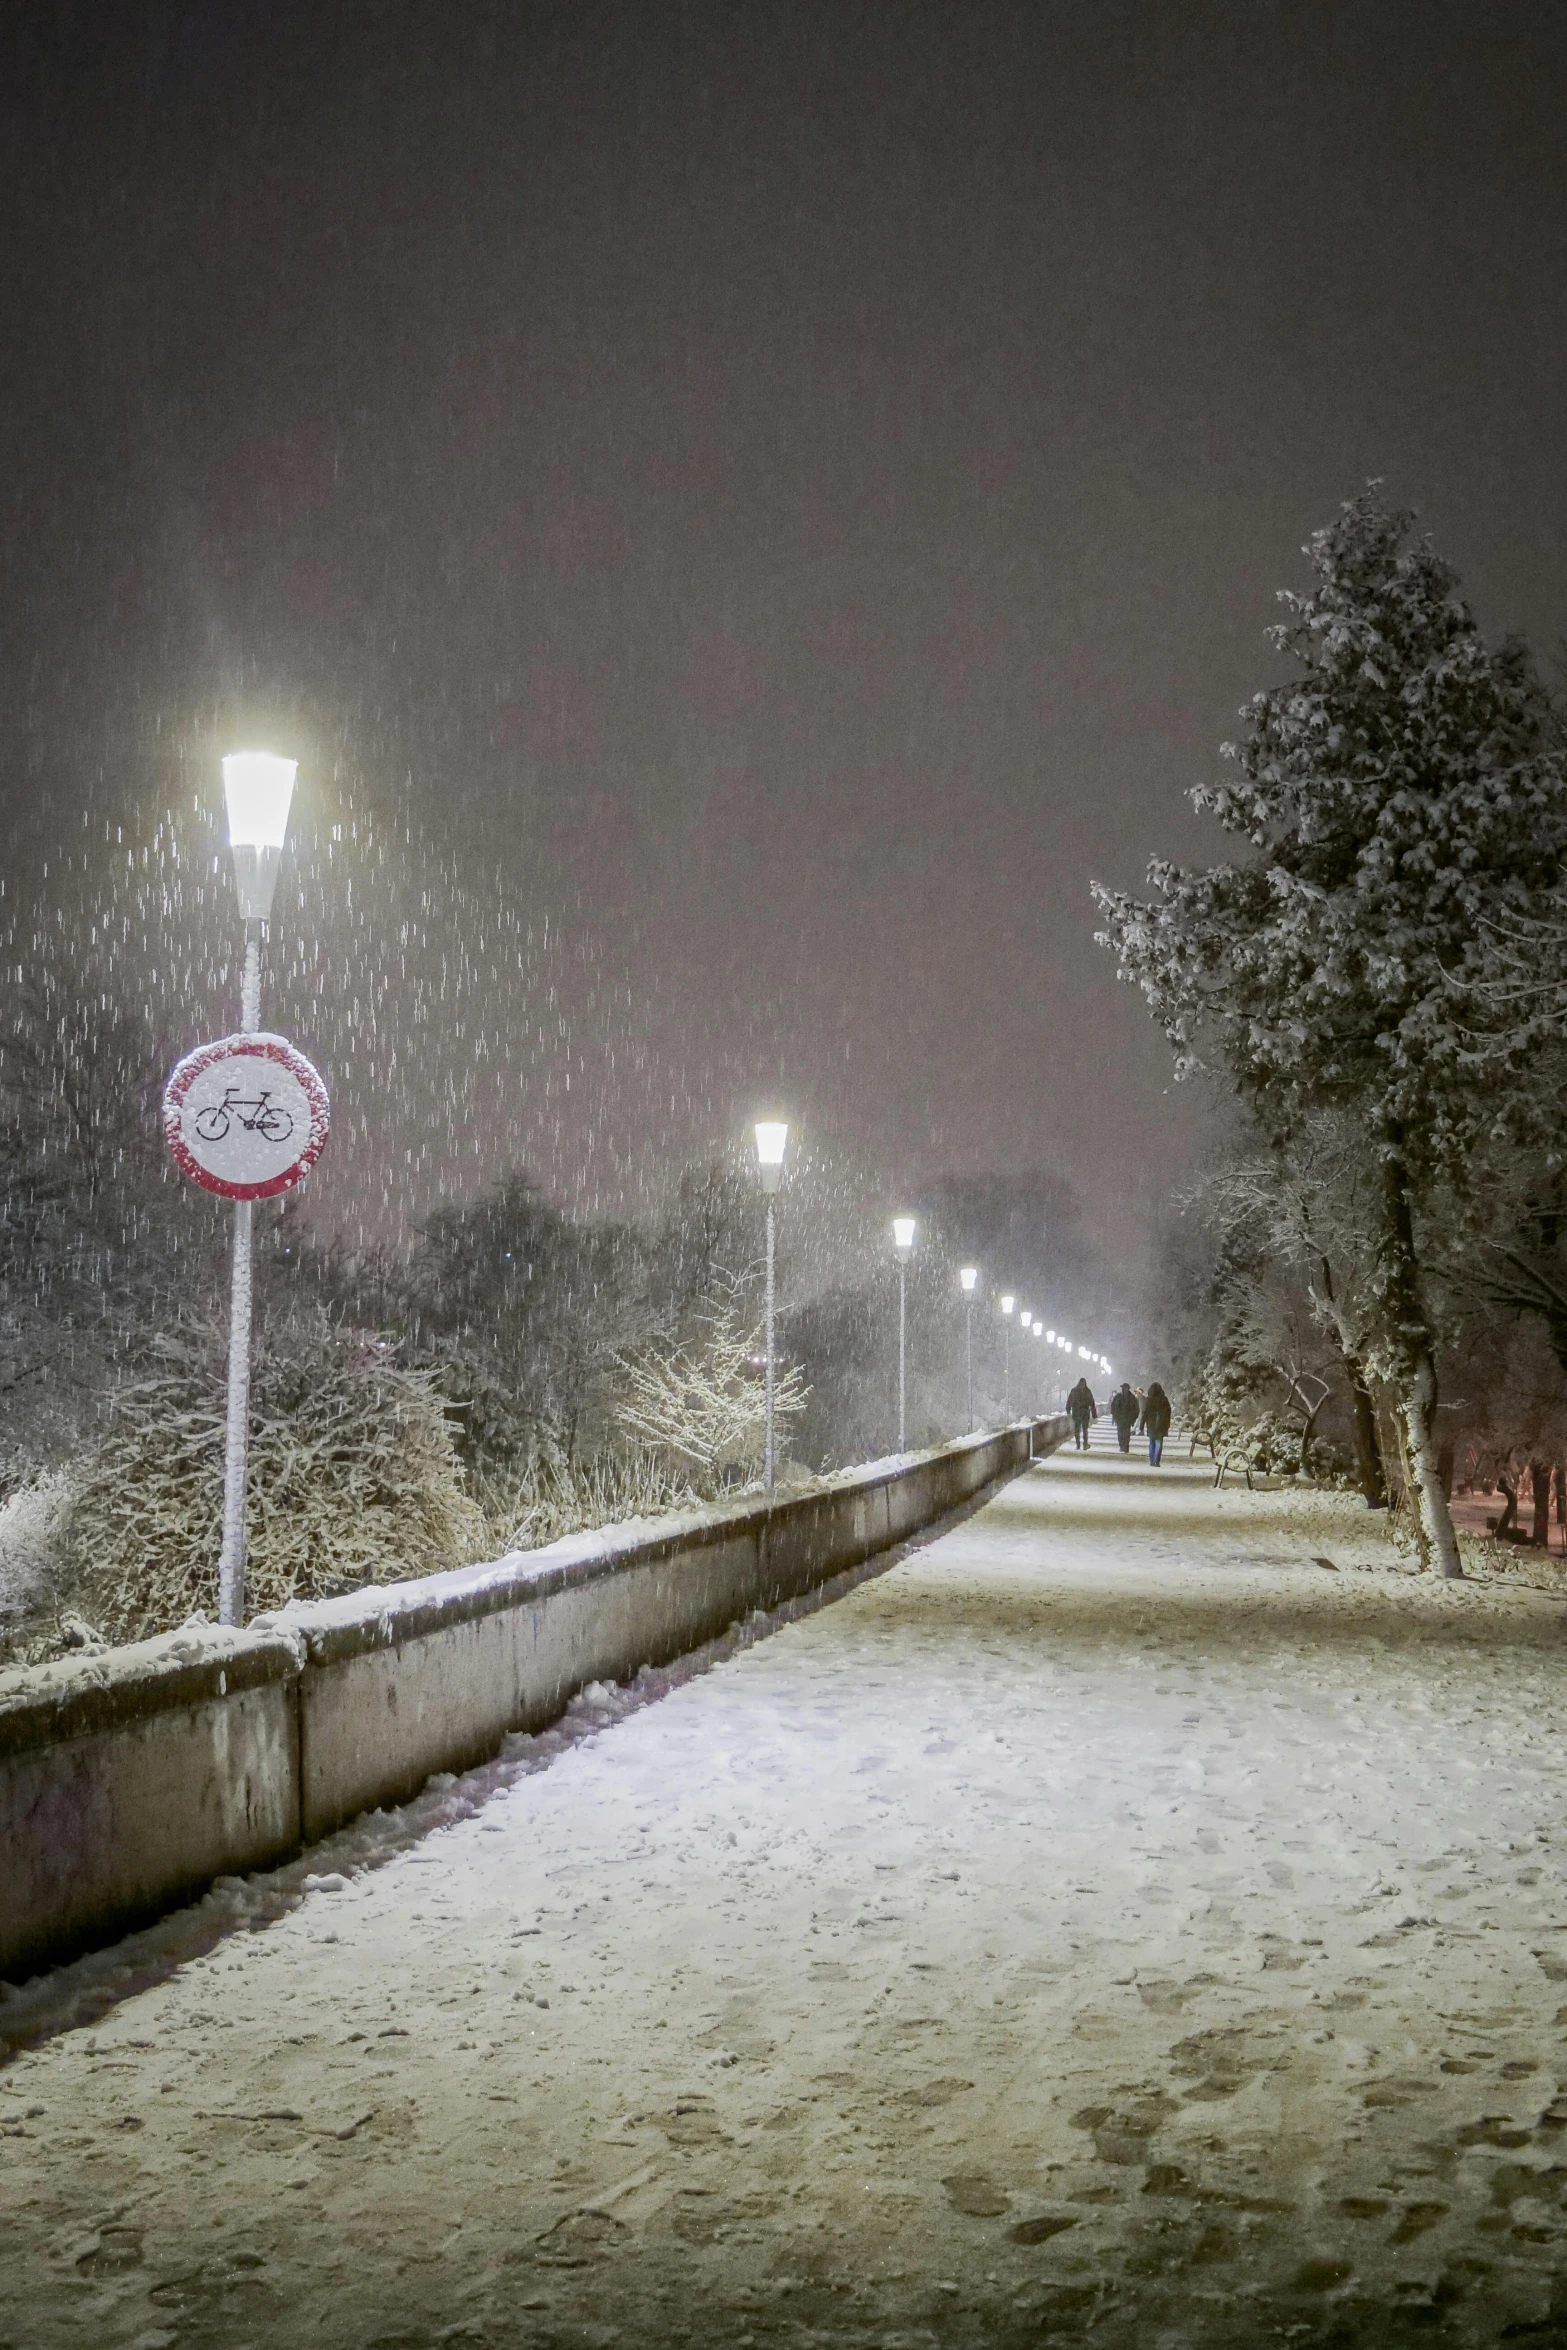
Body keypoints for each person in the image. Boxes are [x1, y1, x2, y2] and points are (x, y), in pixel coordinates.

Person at [1144, 1380, 1172, 1466]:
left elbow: (1145, 1413)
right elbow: (1168, 1413)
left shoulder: (1148, 1400)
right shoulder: (1164, 1400)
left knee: (1151, 1442)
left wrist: (1142, 1425)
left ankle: (1152, 1460)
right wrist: (1167, 1425)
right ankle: (1157, 1461)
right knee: (1159, 1442)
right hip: (1161, 1424)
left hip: (1151, 1424)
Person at [1066, 1376, 1096, 1450]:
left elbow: (1069, 1401)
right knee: (1084, 1429)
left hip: (1076, 1412)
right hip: (1085, 1412)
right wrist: (1094, 1414)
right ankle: (1085, 1444)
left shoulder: (1074, 1390)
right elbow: (1092, 1403)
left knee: (1077, 1429)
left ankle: (1078, 1444)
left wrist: (1068, 1410)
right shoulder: (1088, 1391)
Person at [1109, 1382, 1138, 1455]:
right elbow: (1113, 1407)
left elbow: (1136, 1409)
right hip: (1120, 1419)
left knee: (1126, 1433)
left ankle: (1125, 1446)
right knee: (1121, 1433)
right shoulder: (1119, 1396)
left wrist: (1133, 1419)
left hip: (1127, 1419)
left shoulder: (1131, 1397)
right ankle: (1122, 1445)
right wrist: (1115, 1416)